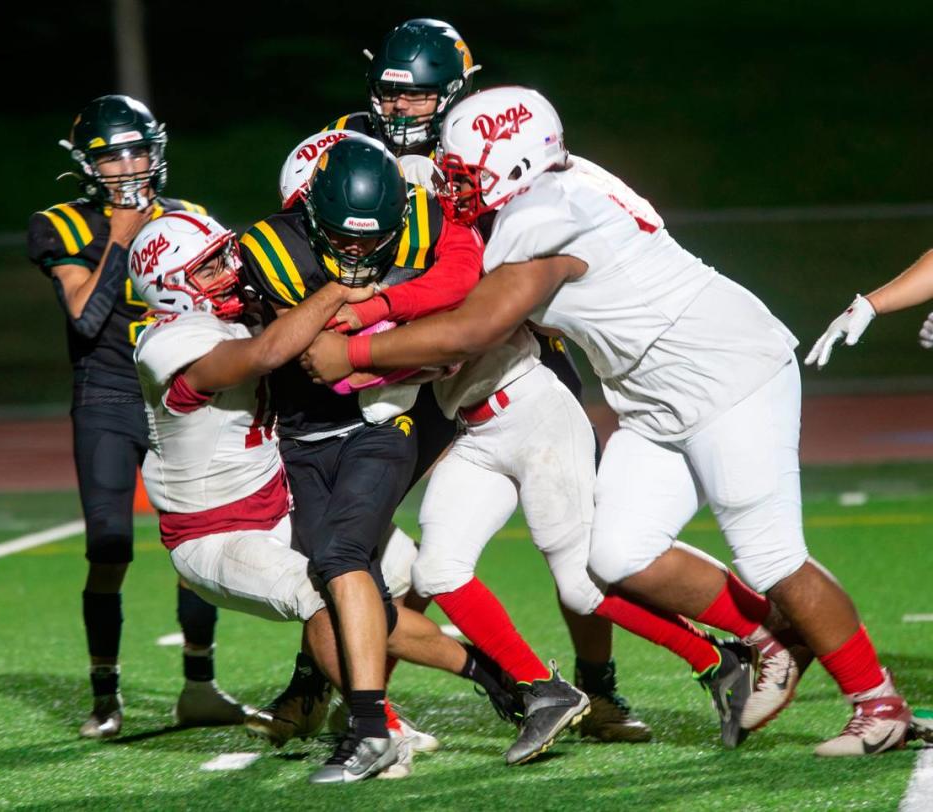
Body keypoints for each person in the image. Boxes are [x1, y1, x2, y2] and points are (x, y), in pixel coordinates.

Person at [300, 86, 914, 757]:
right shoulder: (550, 190)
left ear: (513, 165)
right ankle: (771, 636)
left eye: (465, 171)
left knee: (769, 553)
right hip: (650, 396)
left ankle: (876, 702)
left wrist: (355, 349)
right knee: (617, 554)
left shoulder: (548, 212)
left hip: (726, 370)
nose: (454, 184)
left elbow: (474, 327)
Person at [321, 18, 646, 743]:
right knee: (359, 529)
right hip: (404, 357)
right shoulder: (347, 146)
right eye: (389, 96)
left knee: (576, 539)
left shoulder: (488, 143)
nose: (400, 110)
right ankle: (343, 690)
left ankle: (600, 691)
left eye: (420, 98)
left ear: (457, 95)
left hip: (500, 346)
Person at [129, 210, 520, 782]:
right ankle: (373, 724)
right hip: (214, 534)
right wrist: (342, 282)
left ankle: (496, 679)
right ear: (169, 288)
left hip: (280, 505)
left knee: (406, 572)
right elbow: (264, 356)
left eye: (222, 255)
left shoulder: (247, 315)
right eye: (207, 268)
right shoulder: (168, 341)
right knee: (324, 597)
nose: (228, 271)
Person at [27, 94, 242, 739]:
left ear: (158, 149)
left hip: (176, 393)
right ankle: (105, 696)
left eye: (136, 150)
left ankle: (199, 686)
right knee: (110, 546)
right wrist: (119, 240)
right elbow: (87, 319)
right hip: (109, 394)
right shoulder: (59, 225)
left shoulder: (189, 218)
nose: (127, 166)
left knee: (196, 538)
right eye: (110, 156)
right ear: (87, 166)